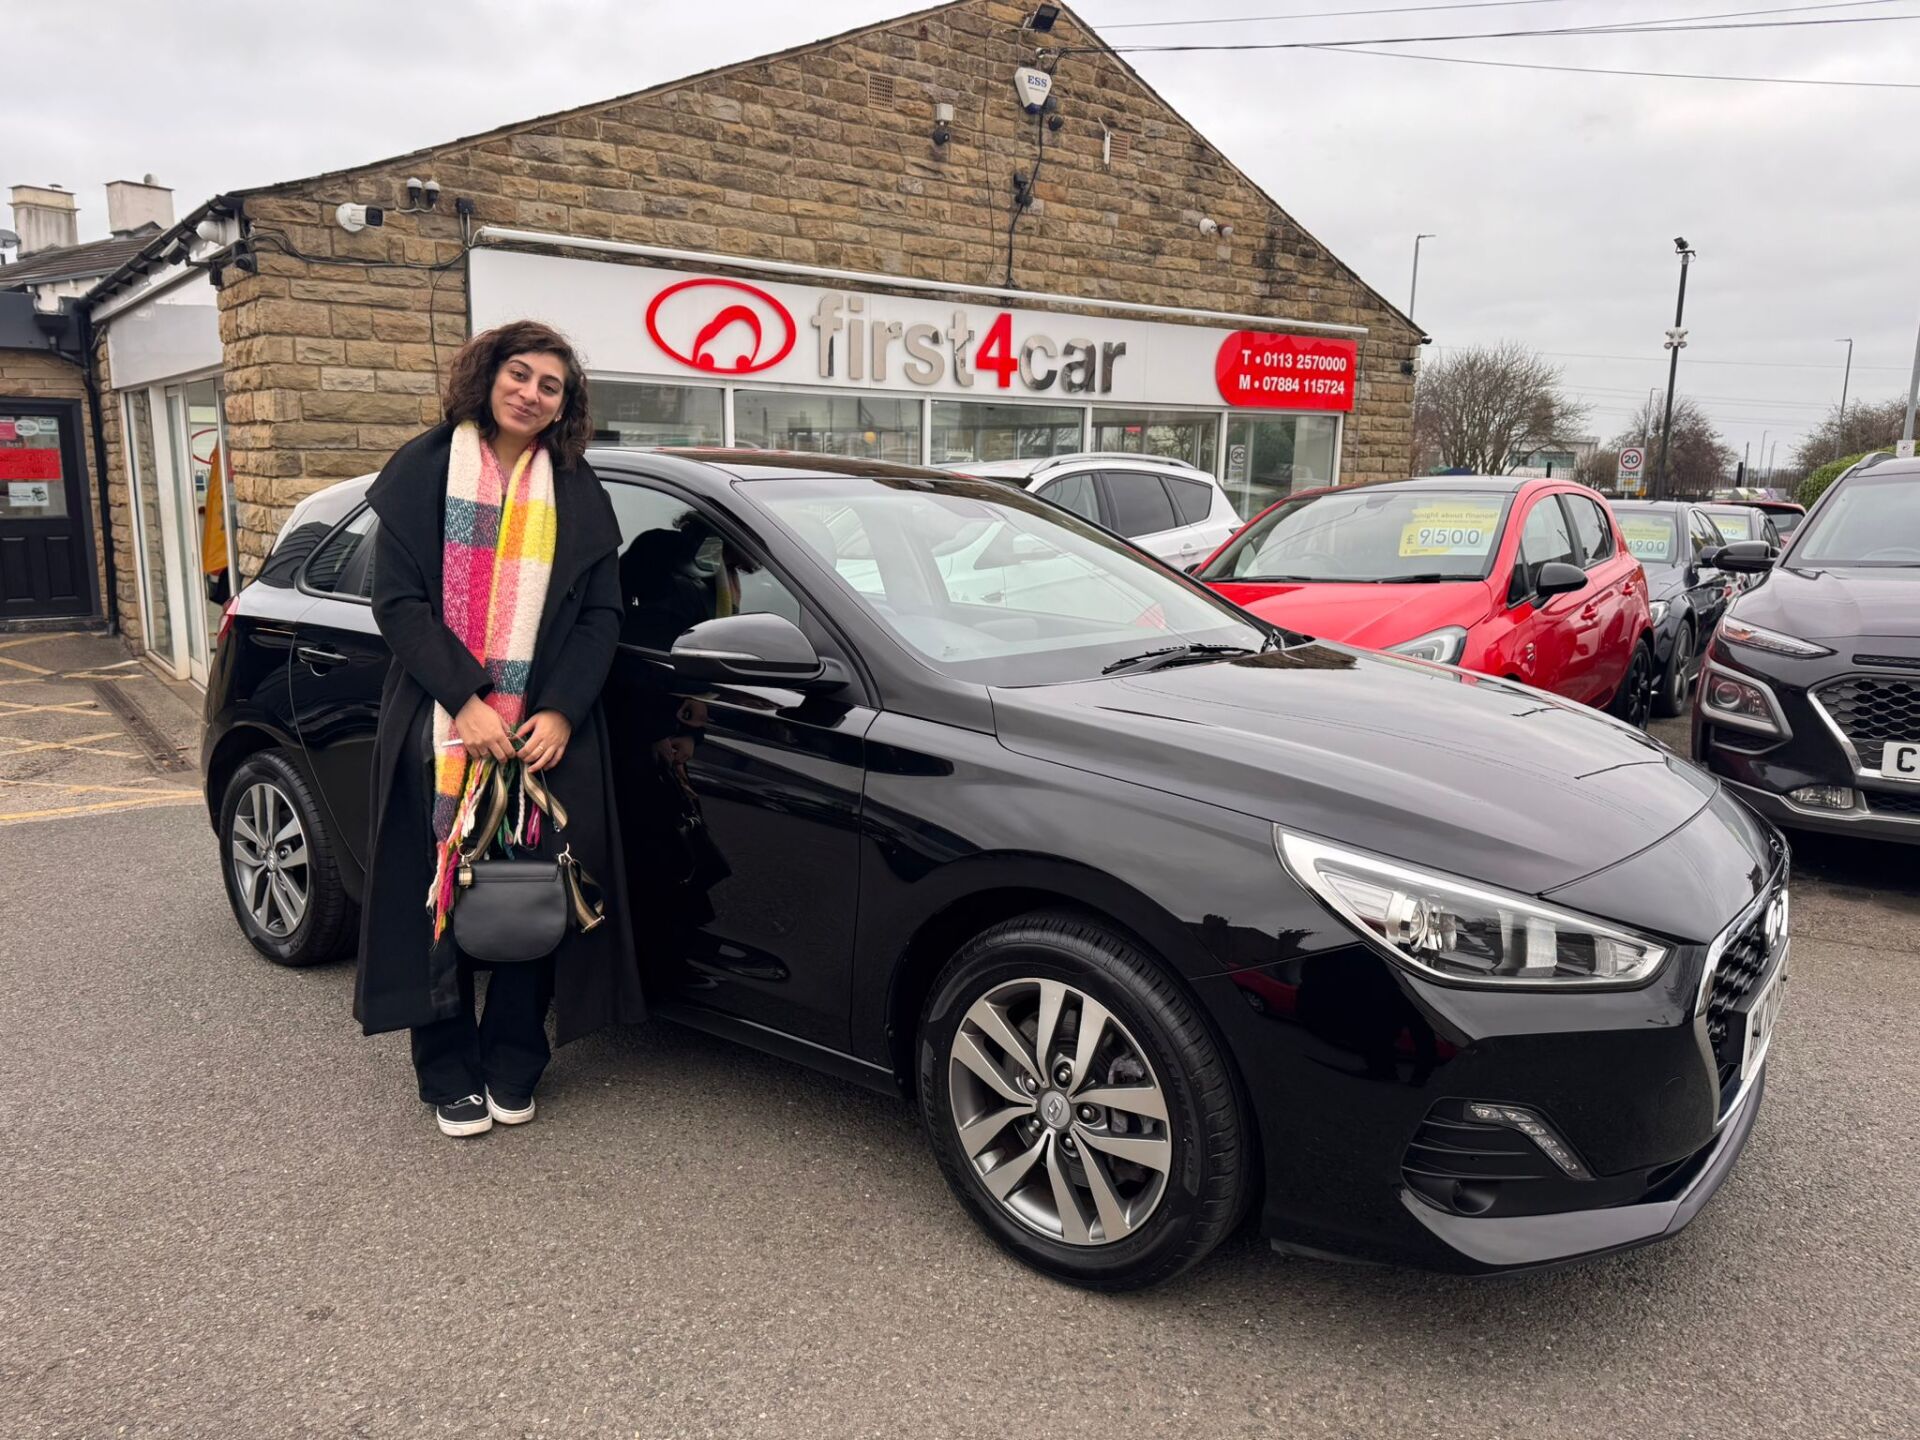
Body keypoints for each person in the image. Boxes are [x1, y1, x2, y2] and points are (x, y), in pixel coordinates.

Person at [353, 321, 645, 1137]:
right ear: (488, 377)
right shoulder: (422, 469)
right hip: (439, 726)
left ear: (565, 405)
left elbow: (600, 616)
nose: (531, 393)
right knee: (435, 896)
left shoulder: (579, 489)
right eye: (519, 375)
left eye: (550, 386)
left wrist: (559, 710)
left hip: (543, 737)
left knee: (533, 894)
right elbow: (398, 604)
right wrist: (467, 698)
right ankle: (447, 1070)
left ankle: (517, 1060)